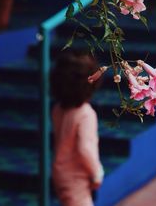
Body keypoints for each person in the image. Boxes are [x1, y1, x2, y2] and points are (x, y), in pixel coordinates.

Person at [50, 50, 104, 206]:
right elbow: (85, 148)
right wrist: (97, 173)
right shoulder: (86, 114)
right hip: (76, 176)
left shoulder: (58, 109)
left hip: (60, 172)